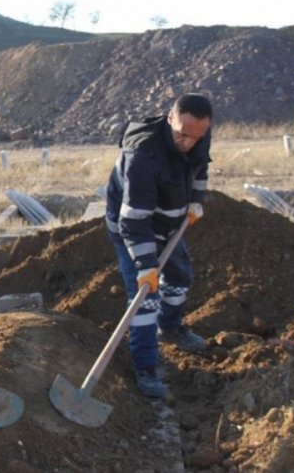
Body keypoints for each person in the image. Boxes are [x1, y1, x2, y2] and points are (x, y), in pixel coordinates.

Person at [105, 93, 212, 398]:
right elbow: (134, 221)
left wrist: (195, 201)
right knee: (145, 295)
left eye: (197, 136)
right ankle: (146, 367)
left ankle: (170, 327)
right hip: (133, 225)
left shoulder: (197, 131)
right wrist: (146, 265)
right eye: (182, 135)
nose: (188, 143)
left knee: (179, 278)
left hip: (169, 222)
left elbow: (200, 166)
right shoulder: (142, 156)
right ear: (169, 119)